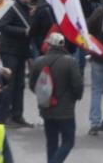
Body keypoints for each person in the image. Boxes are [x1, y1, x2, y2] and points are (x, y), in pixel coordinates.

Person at [30, 31, 82, 163]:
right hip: (66, 110)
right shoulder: (71, 62)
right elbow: (78, 85)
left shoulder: (38, 62)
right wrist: (74, 98)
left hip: (46, 108)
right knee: (68, 141)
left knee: (51, 142)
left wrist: (43, 95)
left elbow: (32, 85)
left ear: (49, 45)